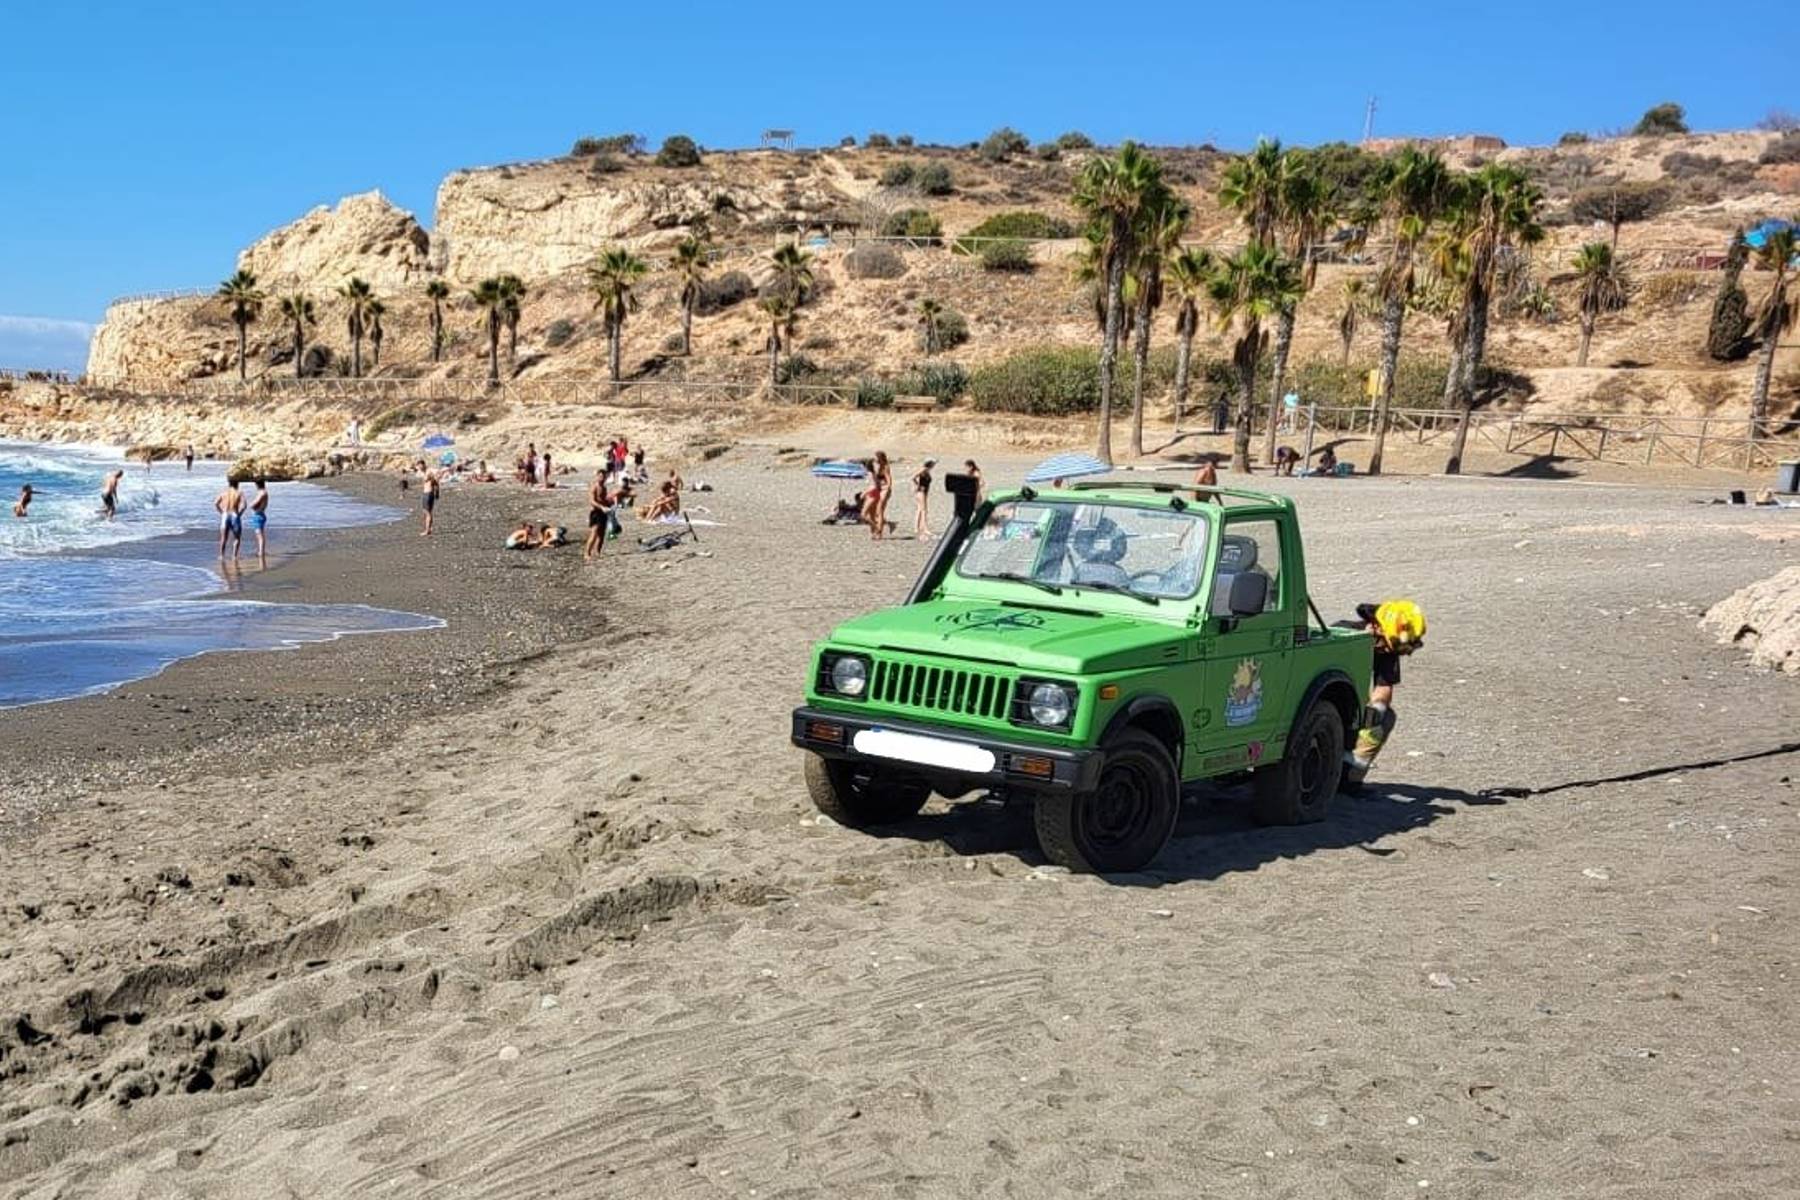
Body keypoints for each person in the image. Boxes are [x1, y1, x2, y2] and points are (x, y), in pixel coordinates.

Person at [1343, 600, 1427, 787]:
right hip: (1330, 705)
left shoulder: (1387, 650)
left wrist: (1376, 710)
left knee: (1386, 717)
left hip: (1353, 708)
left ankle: (1349, 777)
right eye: (1386, 645)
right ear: (1375, 626)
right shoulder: (1343, 636)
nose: (1386, 651)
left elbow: (1384, 686)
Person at [585, 469, 613, 561]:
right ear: (597, 476)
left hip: (603, 512)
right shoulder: (594, 487)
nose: (602, 478)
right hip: (596, 512)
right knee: (594, 533)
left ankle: (597, 552)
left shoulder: (604, 487)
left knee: (601, 534)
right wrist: (602, 507)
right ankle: (587, 553)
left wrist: (609, 503)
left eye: (604, 476)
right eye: (600, 476)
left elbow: (603, 499)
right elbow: (592, 501)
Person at [214, 479, 245, 557]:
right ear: (237, 483)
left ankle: (221, 555)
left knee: (223, 538)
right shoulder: (239, 493)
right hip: (235, 514)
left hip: (225, 514)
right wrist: (239, 514)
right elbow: (244, 506)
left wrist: (221, 512)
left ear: (229, 483)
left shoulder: (223, 492)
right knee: (237, 538)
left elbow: (216, 503)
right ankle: (234, 556)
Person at [868, 451, 894, 541]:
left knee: (880, 511)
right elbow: (876, 479)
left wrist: (886, 489)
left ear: (881, 458)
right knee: (873, 511)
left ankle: (879, 533)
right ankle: (878, 529)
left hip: (884, 489)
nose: (876, 460)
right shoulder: (878, 467)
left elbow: (889, 480)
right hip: (879, 489)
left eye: (877, 458)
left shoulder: (885, 467)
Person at [912, 458, 936, 540]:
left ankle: (916, 527)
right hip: (921, 492)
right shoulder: (924, 470)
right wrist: (918, 485)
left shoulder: (927, 471)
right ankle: (925, 528)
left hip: (923, 492)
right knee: (924, 510)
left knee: (919, 509)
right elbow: (913, 477)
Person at [248, 478, 270, 560]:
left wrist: (251, 504)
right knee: (259, 535)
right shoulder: (263, 492)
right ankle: (260, 551)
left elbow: (253, 504)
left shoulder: (262, 493)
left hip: (259, 515)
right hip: (259, 514)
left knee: (259, 535)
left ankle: (261, 552)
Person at [421, 468, 440, 536]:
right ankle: (429, 528)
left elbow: (426, 480)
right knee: (428, 512)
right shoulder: (432, 480)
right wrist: (437, 494)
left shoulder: (429, 479)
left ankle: (427, 530)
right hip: (430, 494)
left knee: (427, 513)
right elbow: (437, 485)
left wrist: (437, 494)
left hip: (427, 494)